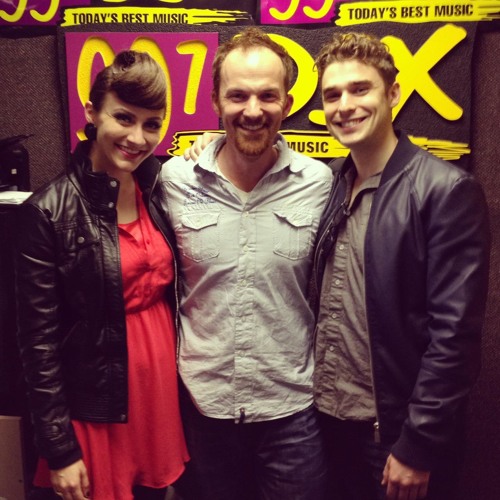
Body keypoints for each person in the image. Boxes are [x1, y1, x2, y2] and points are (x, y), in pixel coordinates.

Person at [311, 32, 490, 500]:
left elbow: (455, 337)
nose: (345, 106)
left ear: (392, 93)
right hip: (328, 424)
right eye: (332, 94)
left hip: (393, 438)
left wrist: (418, 444)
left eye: (360, 89)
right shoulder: (330, 183)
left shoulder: (444, 190)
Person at [161, 27, 332, 500]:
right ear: (216, 101)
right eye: (238, 95)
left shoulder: (319, 183)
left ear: (288, 102)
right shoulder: (175, 179)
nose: (253, 111)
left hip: (291, 411)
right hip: (203, 410)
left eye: (267, 96)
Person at [14, 50, 189, 500]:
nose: (137, 137)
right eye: (124, 118)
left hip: (156, 398)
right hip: (95, 405)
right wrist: (59, 449)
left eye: (152, 124)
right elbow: (38, 345)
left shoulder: (157, 185)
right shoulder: (48, 212)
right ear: (92, 113)